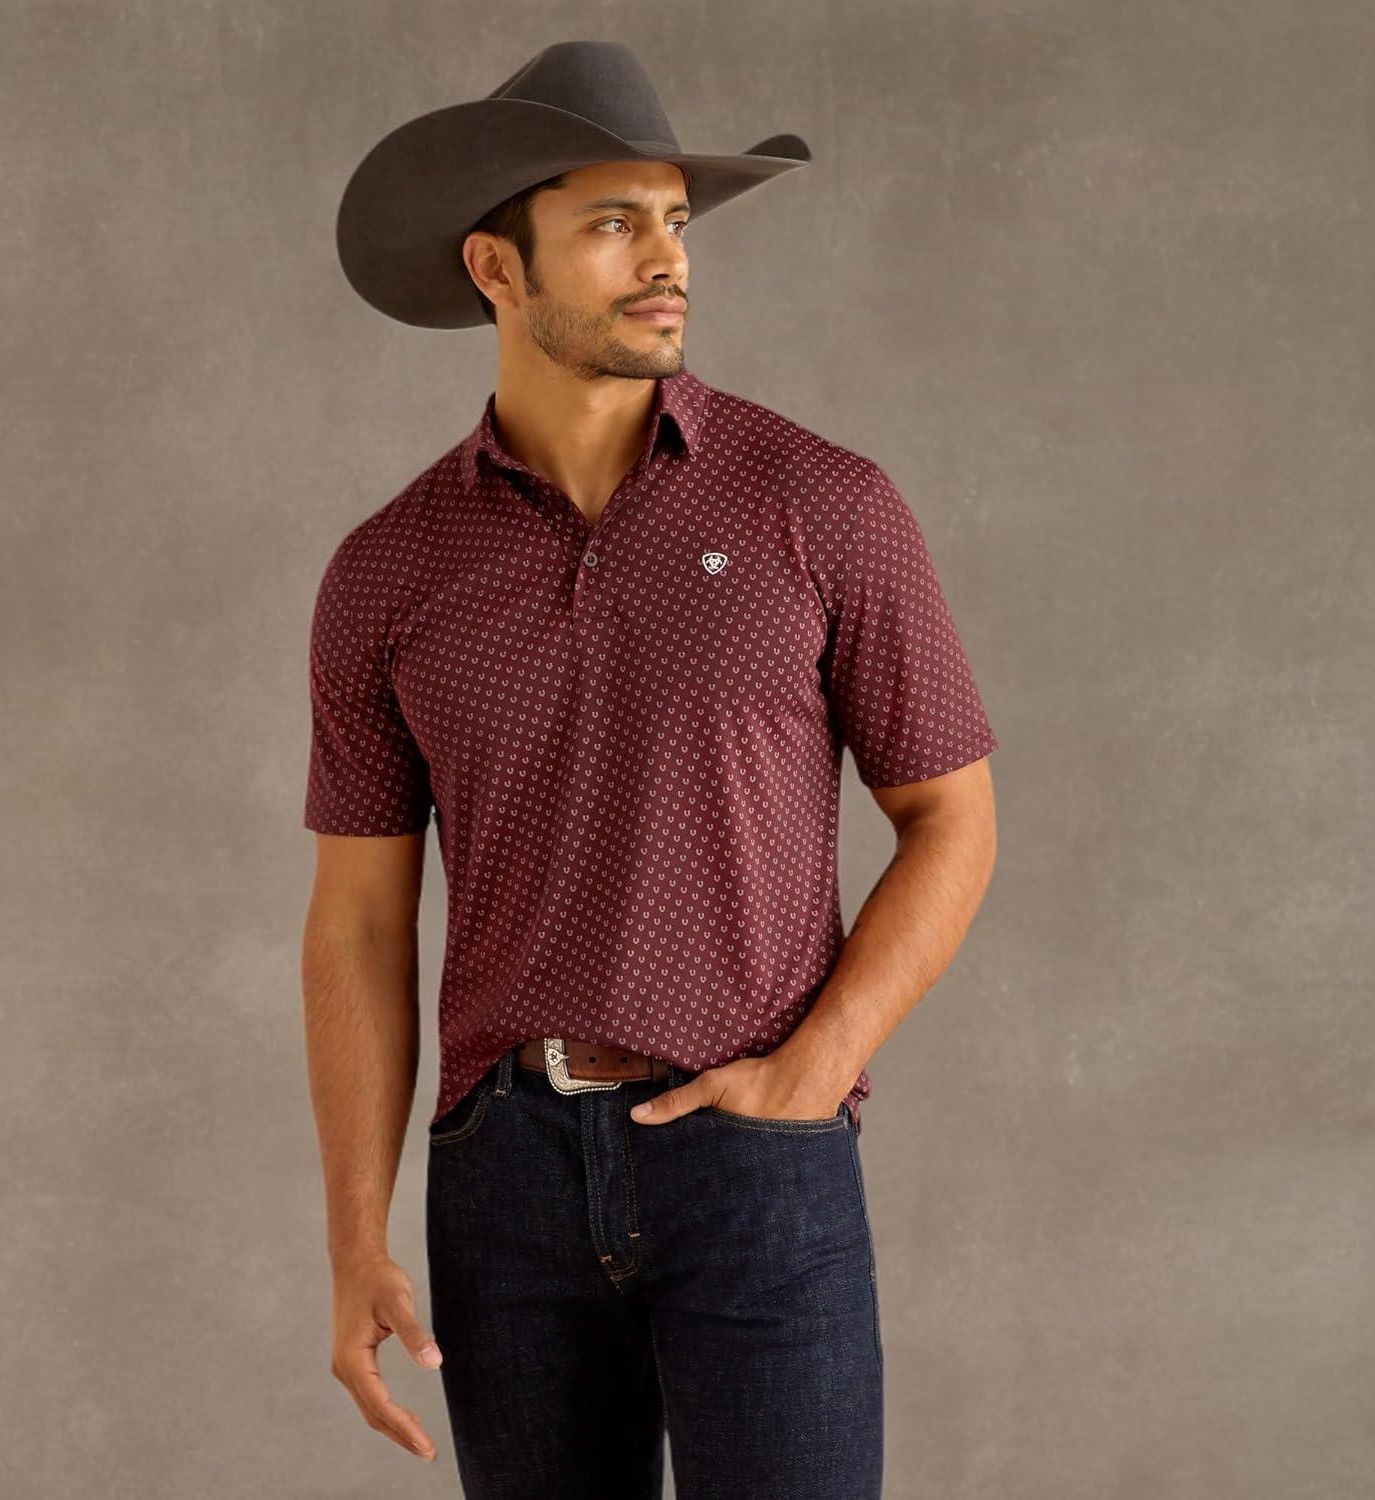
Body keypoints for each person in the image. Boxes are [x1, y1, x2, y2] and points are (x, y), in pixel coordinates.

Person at [300, 40, 998, 1500]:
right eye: (615, 224)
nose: (667, 259)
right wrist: (358, 1236)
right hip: (505, 1177)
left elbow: (952, 818)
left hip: (757, 1154)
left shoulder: (824, 505)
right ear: (498, 268)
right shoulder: (389, 570)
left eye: (675, 221)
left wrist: (818, 1068)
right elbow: (359, 921)